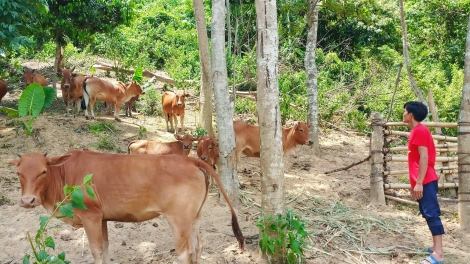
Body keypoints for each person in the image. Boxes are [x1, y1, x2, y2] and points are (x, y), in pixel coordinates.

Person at [403, 101, 444, 264]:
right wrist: (414, 184)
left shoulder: (419, 130)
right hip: (422, 180)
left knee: (432, 214)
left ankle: (439, 255)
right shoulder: (417, 130)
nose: (403, 114)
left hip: (426, 180)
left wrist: (419, 183)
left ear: (411, 114)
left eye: (405, 111)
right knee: (428, 214)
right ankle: (436, 248)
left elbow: (424, 158)